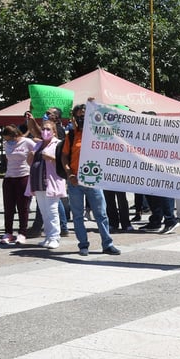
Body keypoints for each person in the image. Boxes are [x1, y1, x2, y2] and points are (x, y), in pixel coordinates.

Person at [61, 103, 121, 256]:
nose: (82, 118)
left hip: (94, 181)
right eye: (79, 116)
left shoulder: (98, 133)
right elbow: (64, 156)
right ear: (75, 118)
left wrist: (93, 104)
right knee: (78, 215)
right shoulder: (72, 135)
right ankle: (83, 245)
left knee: (101, 214)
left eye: (84, 115)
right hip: (75, 182)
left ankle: (107, 244)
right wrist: (69, 174)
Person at [25, 118, 66, 249]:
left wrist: (51, 158)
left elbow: (63, 163)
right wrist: (30, 157)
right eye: (43, 129)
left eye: (48, 129)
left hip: (51, 182)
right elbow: (30, 163)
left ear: (54, 132)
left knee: (52, 210)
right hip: (38, 182)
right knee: (44, 211)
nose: (45, 131)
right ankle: (48, 236)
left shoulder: (58, 144)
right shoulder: (38, 145)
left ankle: (55, 237)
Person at [0, 124, 35, 244]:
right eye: (5, 139)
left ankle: (22, 233)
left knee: (23, 207)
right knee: (8, 207)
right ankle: (8, 232)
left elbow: (37, 150)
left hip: (23, 176)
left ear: (14, 135)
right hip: (9, 177)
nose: (7, 141)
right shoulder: (6, 144)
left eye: (9, 139)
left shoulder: (27, 142)